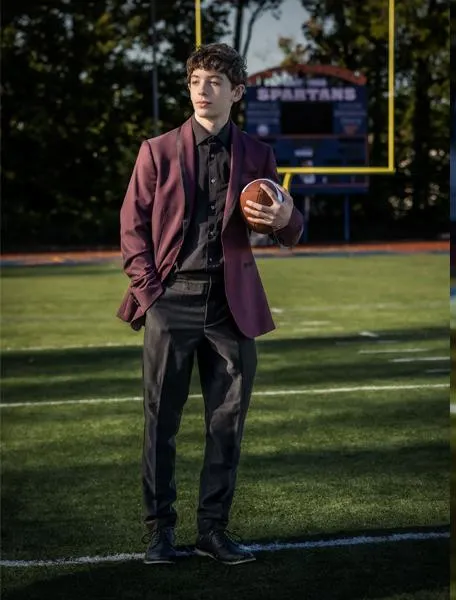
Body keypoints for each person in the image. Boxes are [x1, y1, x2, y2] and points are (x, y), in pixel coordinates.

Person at [117, 43, 304, 565]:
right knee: (161, 423)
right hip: (170, 300)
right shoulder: (157, 150)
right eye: (197, 80)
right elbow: (132, 231)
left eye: (215, 82)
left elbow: (292, 231)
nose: (203, 89)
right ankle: (160, 533)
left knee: (226, 424)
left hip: (232, 305)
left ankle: (212, 531)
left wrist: (284, 217)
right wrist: (152, 295)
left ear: (236, 92)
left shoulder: (258, 156)